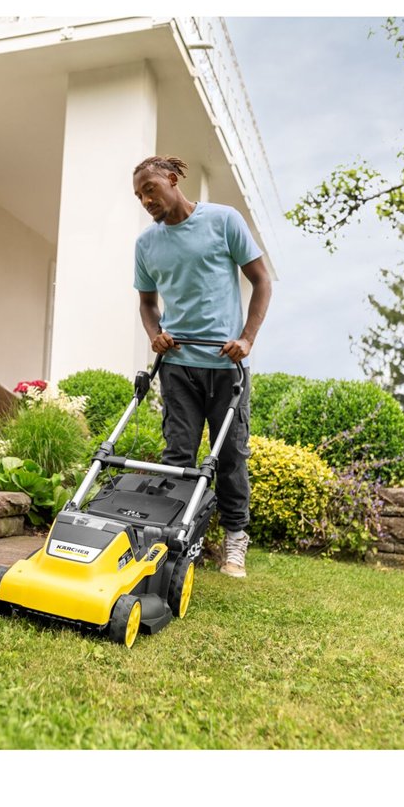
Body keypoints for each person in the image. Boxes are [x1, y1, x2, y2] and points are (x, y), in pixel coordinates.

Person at [132, 155, 272, 578]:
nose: (145, 200)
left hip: (226, 364)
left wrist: (247, 338)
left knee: (230, 456)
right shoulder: (146, 244)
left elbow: (261, 280)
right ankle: (174, 538)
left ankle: (235, 539)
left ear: (173, 180)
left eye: (150, 189)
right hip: (177, 365)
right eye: (139, 196)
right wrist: (155, 334)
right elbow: (147, 303)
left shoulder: (223, 220)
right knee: (177, 456)